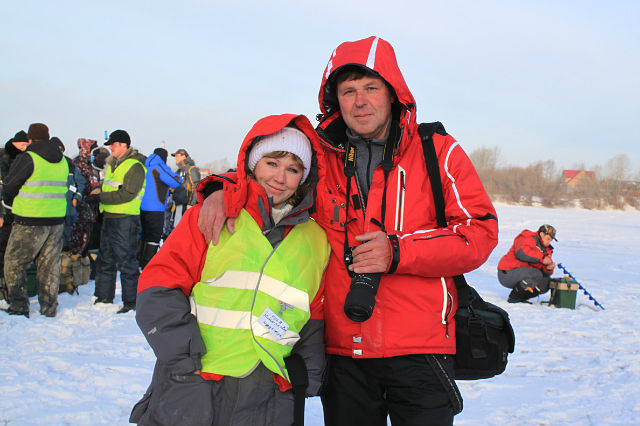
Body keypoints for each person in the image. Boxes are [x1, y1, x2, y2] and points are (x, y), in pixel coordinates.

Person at [196, 37, 499, 425]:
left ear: (393, 93)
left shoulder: (436, 150)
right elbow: (270, 176)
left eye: (371, 88)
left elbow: (479, 232)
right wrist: (222, 189)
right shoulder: (321, 156)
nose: (360, 102)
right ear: (334, 101)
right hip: (344, 350)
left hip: (420, 348)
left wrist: (399, 251)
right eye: (348, 91)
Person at [130, 114, 331, 426]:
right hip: (197, 382)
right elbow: (159, 286)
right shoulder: (212, 216)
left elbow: (313, 311)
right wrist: (183, 357)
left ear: (303, 178)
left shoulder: (316, 239)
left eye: (293, 169)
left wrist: (306, 373)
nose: (280, 177)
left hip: (268, 393)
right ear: (252, 164)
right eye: (272, 163)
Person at [2, 123, 71, 317]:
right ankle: (49, 307)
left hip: (29, 219)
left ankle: (19, 305)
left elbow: (10, 184)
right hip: (56, 219)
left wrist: (9, 202)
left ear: (30, 139)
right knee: (49, 265)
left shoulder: (29, 157)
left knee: (14, 263)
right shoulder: (63, 160)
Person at [88, 130, 146, 314]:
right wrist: (98, 190)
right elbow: (111, 186)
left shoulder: (135, 166)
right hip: (110, 217)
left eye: (113, 144)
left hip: (125, 219)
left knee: (126, 261)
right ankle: (104, 297)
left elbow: (128, 193)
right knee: (105, 259)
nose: (110, 148)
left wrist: (100, 198)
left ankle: (132, 301)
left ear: (124, 145)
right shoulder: (113, 165)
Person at [51, 137, 86, 294]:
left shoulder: (70, 165)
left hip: (68, 213)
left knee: (65, 247)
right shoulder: (48, 164)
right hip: (52, 212)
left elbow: (80, 183)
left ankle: (65, 282)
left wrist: (76, 198)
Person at [138, 147, 181, 268]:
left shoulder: (144, 166)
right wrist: (178, 176)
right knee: (153, 237)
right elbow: (175, 181)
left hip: (140, 207)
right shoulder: (159, 167)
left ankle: (140, 263)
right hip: (155, 208)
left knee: (144, 236)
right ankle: (148, 265)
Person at [0, 130, 30, 300]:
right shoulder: (5, 159)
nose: (24, 147)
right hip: (6, 210)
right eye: (22, 144)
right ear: (15, 144)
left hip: (18, 210)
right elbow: (4, 187)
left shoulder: (24, 159)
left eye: (26, 145)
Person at [497, 224, 557, 303]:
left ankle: (522, 297)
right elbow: (521, 253)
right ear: (542, 234)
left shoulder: (546, 250)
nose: (549, 242)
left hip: (524, 273)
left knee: (545, 282)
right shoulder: (527, 237)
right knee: (536, 274)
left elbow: (542, 269)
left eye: (550, 240)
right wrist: (542, 258)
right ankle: (514, 297)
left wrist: (548, 268)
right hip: (507, 273)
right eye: (548, 239)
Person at [171, 148, 201, 214]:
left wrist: (192, 204)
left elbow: (196, 186)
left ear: (183, 156)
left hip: (187, 205)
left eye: (177, 156)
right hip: (177, 204)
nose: (175, 158)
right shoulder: (179, 170)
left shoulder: (191, 169)